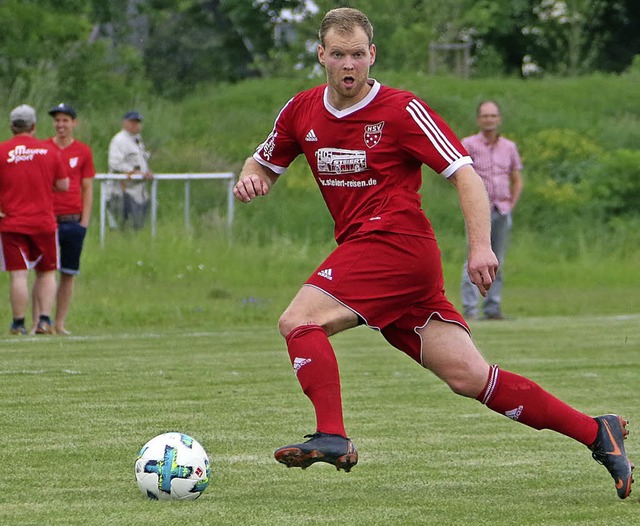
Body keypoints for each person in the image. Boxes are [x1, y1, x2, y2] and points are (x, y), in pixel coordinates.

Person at [233, 8, 634, 499]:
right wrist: (252, 176)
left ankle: (332, 435)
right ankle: (598, 432)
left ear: (371, 55)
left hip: (397, 245)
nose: (348, 64)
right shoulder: (301, 110)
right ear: (321, 56)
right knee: (470, 377)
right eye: (337, 55)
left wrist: (480, 247)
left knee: (299, 322)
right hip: (378, 258)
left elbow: (465, 173)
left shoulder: (401, 110)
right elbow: (265, 160)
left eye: (357, 54)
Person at [0, 105, 69, 335]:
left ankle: (18, 323)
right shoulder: (49, 151)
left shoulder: (2, 151)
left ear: (11, 127)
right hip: (43, 222)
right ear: (33, 126)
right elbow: (63, 185)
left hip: (12, 222)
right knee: (46, 271)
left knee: (19, 273)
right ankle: (44, 320)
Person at [460, 101, 523, 320]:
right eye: (485, 116)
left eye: (493, 116)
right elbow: (461, 177)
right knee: (475, 257)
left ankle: (492, 308)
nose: (489, 119)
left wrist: (511, 204)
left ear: (499, 119)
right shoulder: (468, 144)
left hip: (502, 209)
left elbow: (516, 178)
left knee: (498, 259)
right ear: (479, 119)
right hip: (479, 211)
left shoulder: (509, 147)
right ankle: (470, 308)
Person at [39, 103, 96, 334]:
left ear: (74, 123)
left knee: (68, 273)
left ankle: (59, 322)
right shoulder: (44, 148)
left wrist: (85, 221)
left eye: (65, 120)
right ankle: (40, 321)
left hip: (72, 219)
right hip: (47, 217)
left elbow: (87, 187)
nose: (60, 125)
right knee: (44, 271)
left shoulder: (83, 151)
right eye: (57, 120)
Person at [106, 111, 153, 230]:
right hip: (121, 192)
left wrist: (147, 172)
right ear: (124, 123)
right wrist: (134, 172)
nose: (135, 125)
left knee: (138, 226)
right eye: (132, 122)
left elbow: (141, 161)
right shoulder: (119, 140)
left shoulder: (137, 140)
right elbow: (115, 164)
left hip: (138, 192)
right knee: (123, 226)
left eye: (137, 122)